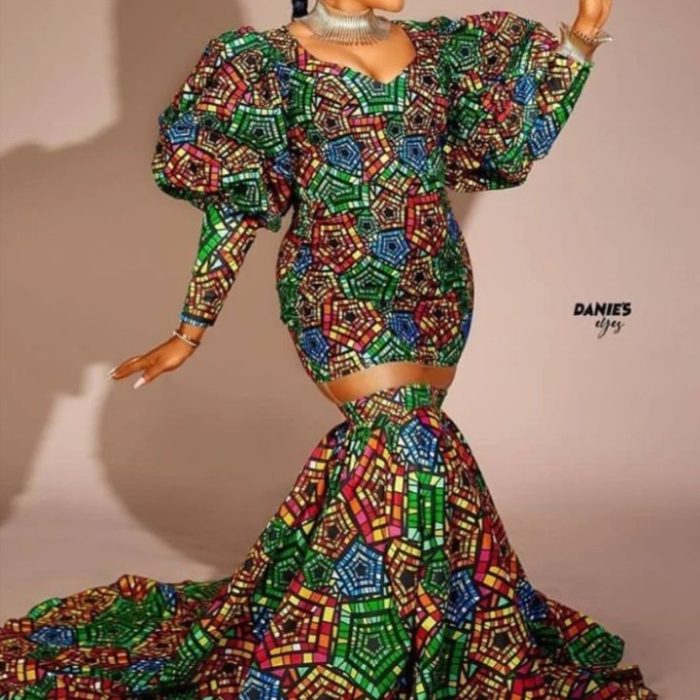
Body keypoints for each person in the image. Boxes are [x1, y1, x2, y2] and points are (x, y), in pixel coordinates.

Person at [0, 1, 657, 698]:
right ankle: (355, 648)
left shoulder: (441, 52)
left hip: (435, 289)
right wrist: (191, 328)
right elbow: (235, 211)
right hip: (335, 289)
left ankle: (412, 627)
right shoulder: (266, 64)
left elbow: (515, 142)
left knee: (405, 458)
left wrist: (586, 31)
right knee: (408, 442)